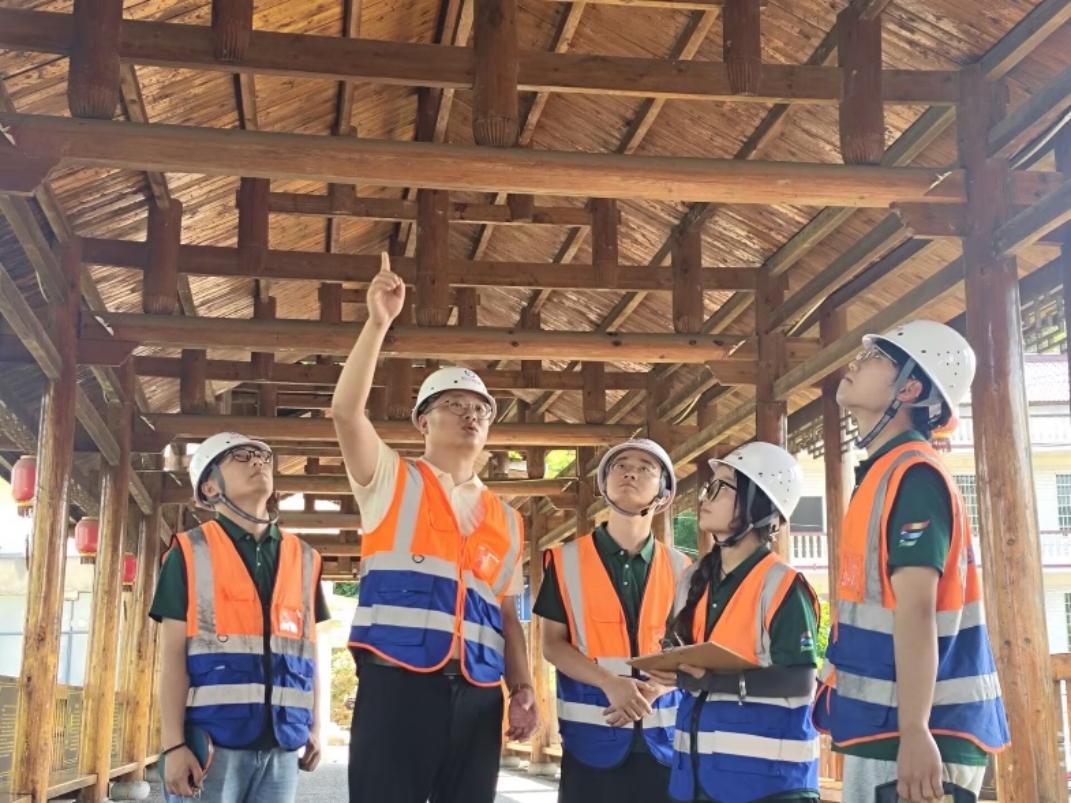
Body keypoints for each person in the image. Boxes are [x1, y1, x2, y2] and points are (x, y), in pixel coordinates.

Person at [332, 252, 539, 803]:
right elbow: (346, 413)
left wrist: (522, 687)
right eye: (455, 404)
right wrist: (378, 323)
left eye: (481, 410)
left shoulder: (507, 519)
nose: (471, 415)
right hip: (397, 684)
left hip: (478, 694)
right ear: (424, 420)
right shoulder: (389, 479)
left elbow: (507, 616)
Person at [813, 320, 1010, 803]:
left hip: (916, 733)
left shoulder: (914, 476)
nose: (855, 363)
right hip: (889, 726)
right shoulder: (887, 472)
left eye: (875, 358)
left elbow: (917, 609)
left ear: (910, 389)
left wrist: (916, 729)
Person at [150, 432, 332, 802]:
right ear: (210, 488)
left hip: (283, 744)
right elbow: (172, 660)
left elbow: (311, 652)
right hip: (213, 745)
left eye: (264, 457)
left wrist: (317, 724)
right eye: (241, 457)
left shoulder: (306, 558)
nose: (258, 462)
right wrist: (174, 746)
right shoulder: (188, 553)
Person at [648, 441, 822, 803]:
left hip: (768, 786)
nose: (705, 498)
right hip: (695, 781)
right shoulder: (692, 579)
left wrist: (713, 680)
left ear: (758, 504)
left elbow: (800, 680)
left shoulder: (783, 585)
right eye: (708, 488)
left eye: (721, 488)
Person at [535, 438, 691, 803]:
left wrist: (653, 690)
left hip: (665, 741)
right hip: (591, 738)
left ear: (664, 494)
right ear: (603, 485)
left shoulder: (683, 569)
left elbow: (692, 650)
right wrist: (610, 683)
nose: (630, 472)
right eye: (620, 465)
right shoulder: (565, 560)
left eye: (645, 467)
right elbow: (552, 644)